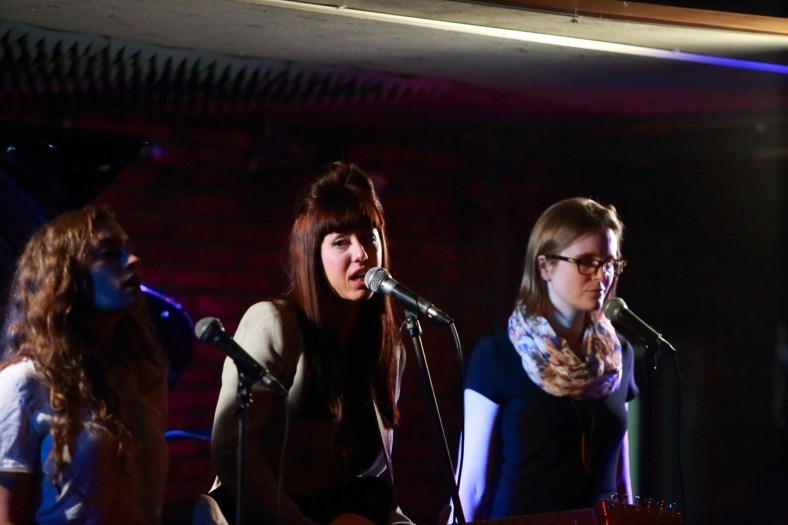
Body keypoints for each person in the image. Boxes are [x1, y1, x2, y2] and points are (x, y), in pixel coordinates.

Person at [208, 162, 411, 525]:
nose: (361, 253)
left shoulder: (388, 350)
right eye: (341, 242)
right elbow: (234, 450)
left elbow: (366, 486)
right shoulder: (275, 324)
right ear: (312, 254)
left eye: (368, 237)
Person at [455, 197, 638, 520]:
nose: (602, 276)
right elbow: (471, 485)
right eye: (586, 262)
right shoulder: (498, 354)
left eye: (609, 263)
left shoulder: (618, 354)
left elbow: (622, 480)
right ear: (545, 267)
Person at [0, 205, 169, 524]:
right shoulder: (22, 384)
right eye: (110, 253)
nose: (133, 260)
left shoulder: (138, 379)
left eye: (130, 250)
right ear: (65, 276)